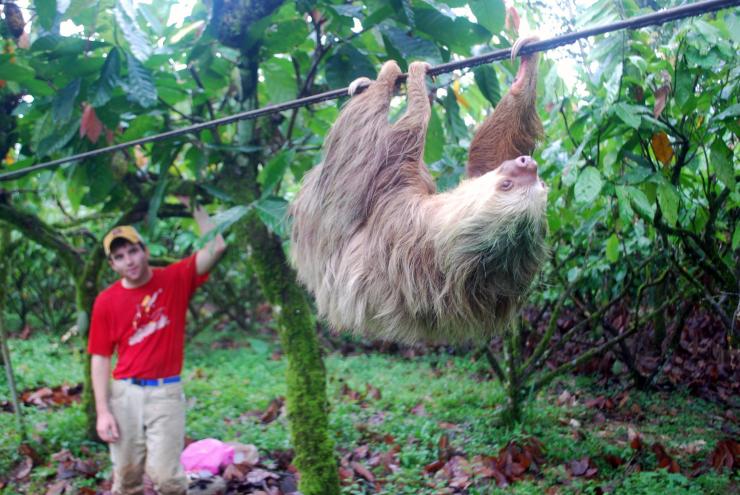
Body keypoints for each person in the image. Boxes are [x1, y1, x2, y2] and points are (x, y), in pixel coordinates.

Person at [88, 202, 226, 495]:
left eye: (133, 251)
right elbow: (100, 357)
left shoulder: (174, 278)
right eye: (120, 256)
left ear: (145, 251)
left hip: (166, 393)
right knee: (126, 479)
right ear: (113, 265)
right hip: (125, 393)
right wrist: (103, 411)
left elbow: (216, 248)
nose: (129, 261)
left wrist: (195, 205)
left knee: (168, 479)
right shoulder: (106, 301)